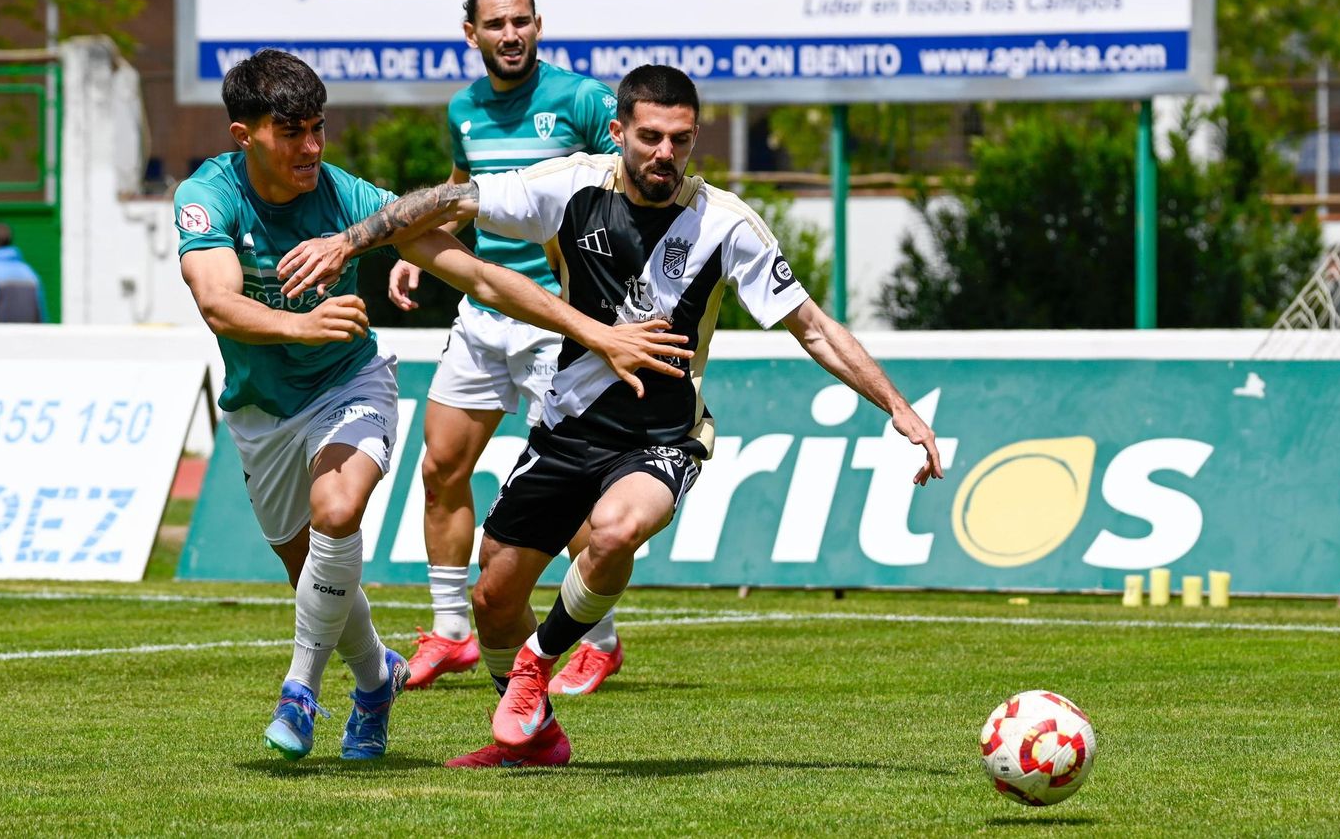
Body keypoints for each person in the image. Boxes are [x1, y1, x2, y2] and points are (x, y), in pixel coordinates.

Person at [277, 65, 946, 769]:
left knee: (617, 528)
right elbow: (452, 198)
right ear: (620, 131)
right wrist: (349, 242)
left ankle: (536, 666)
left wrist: (898, 407)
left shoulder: (727, 224)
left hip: (664, 436)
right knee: (494, 596)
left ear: (695, 140)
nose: (665, 153)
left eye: (681, 140)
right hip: (567, 425)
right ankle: (535, 740)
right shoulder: (569, 185)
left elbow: (811, 326)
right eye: (650, 137)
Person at [174, 49, 690, 764]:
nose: (311, 148)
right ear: (244, 136)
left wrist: (594, 330)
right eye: (291, 132)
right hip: (260, 409)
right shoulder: (208, 195)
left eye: (318, 128)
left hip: (347, 386)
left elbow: (479, 275)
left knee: (337, 511)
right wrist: (298, 323)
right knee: (317, 577)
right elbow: (215, 300)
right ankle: (376, 677)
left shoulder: (350, 197)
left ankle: (300, 688)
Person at [391, 0, 630, 695]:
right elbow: (466, 188)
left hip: (557, 323)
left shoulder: (581, 100)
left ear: (538, 25)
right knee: (440, 467)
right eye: (495, 24)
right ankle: (451, 630)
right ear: (472, 34)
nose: (511, 34)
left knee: (575, 492)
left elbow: (627, 194)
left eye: (521, 21)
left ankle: (599, 639)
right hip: (483, 316)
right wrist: (422, 255)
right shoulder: (463, 109)